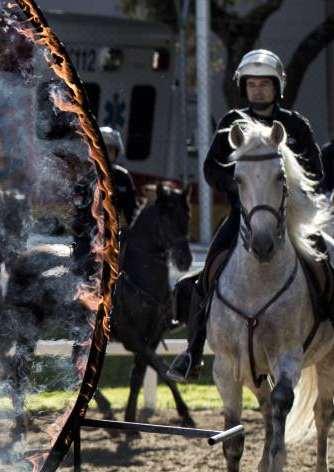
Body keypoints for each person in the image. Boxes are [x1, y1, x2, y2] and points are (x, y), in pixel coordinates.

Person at [167, 49, 324, 381]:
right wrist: (236, 186)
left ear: (276, 87)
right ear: (244, 87)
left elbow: (316, 171)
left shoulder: (295, 125)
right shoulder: (231, 123)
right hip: (242, 218)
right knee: (208, 273)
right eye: (252, 84)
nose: (258, 90)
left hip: (291, 218)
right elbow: (211, 168)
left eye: (264, 84)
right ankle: (192, 351)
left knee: (325, 265)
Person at [70, 126, 138, 275]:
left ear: (116, 153)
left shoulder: (123, 178)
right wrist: (96, 233)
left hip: (115, 237)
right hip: (89, 240)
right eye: (103, 149)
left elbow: (132, 213)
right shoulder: (84, 182)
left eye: (110, 150)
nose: (106, 154)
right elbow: (79, 220)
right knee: (85, 269)